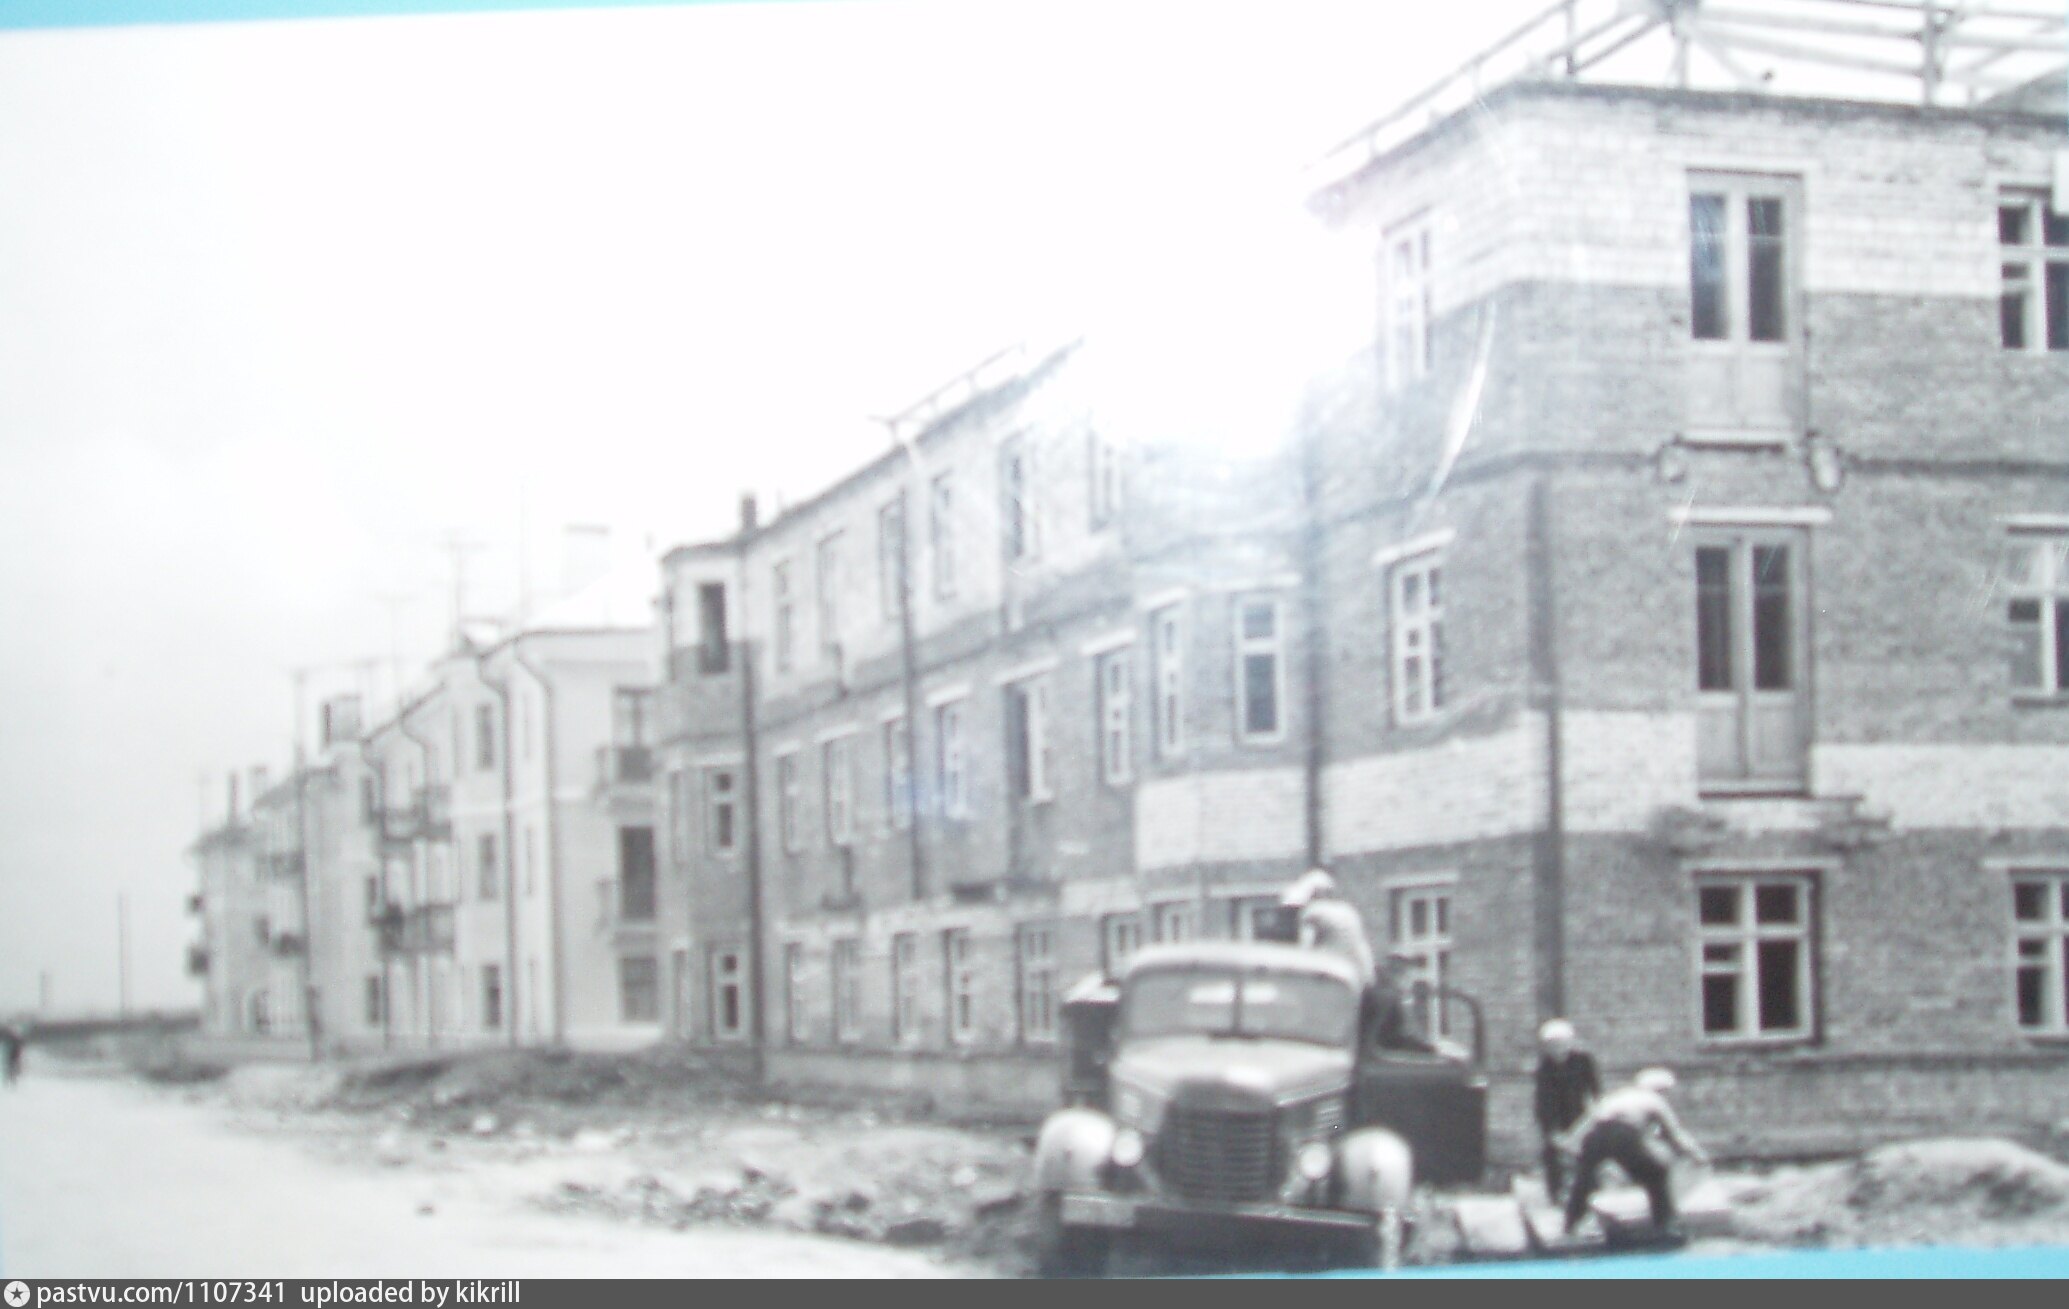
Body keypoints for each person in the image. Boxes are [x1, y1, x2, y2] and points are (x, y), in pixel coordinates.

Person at [1559, 1067, 1709, 1239]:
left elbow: (1589, 1121)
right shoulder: (1654, 1100)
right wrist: (1696, 1154)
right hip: (1623, 1134)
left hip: (1596, 1134)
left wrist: (1571, 1146)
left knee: (1585, 1180)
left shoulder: (1617, 1096)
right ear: (1660, 1090)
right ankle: (1664, 1225)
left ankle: (1570, 1225)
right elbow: (1674, 1134)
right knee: (1656, 1174)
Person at [1533, 1018, 1601, 1201]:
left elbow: (1595, 1091)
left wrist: (1592, 1117)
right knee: (1552, 1155)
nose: (1556, 1049)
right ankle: (1556, 1194)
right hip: (1557, 1120)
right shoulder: (1544, 1068)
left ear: (1570, 1043)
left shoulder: (1583, 1061)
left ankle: (1591, 1194)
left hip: (1581, 1116)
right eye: (1551, 1045)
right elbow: (1543, 1102)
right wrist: (1552, 1132)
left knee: (1589, 1154)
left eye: (1560, 1044)